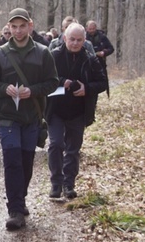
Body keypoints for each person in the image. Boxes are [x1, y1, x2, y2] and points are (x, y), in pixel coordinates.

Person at [0, 8, 58, 231]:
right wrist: (4, 88)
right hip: (7, 116)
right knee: (12, 160)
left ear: (30, 26)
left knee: (26, 162)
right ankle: (15, 209)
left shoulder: (43, 53)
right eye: (13, 27)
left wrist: (32, 91)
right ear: (9, 27)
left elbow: (53, 82)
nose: (17, 30)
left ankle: (20, 197)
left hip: (32, 116)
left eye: (22, 26)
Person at [46, 23, 108, 199]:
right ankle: (56, 184)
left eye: (79, 40)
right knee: (56, 144)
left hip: (79, 111)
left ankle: (68, 184)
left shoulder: (90, 59)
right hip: (55, 109)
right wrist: (62, 81)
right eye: (71, 39)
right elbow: (43, 79)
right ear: (64, 38)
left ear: (84, 40)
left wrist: (86, 88)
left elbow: (102, 82)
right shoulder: (53, 56)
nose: (75, 43)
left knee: (73, 150)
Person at [85, 20, 114, 88]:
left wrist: (104, 52)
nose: (92, 31)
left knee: (101, 84)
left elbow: (111, 48)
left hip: (100, 63)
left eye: (93, 29)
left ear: (96, 28)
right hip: (87, 65)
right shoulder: (84, 37)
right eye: (90, 29)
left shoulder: (102, 37)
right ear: (86, 29)